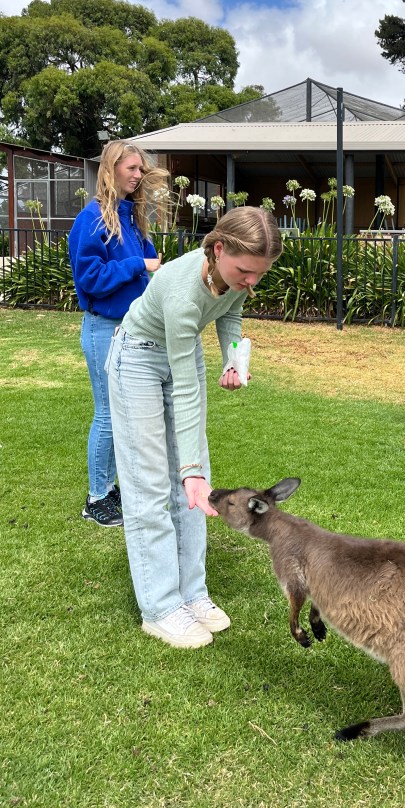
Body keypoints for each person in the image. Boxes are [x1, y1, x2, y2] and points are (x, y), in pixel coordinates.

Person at [107, 206, 284, 649]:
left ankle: (191, 594)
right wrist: (189, 469)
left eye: (259, 274)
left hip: (179, 354)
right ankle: (160, 607)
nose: (252, 282)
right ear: (218, 249)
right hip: (139, 359)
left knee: (196, 489)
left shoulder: (236, 278)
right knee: (152, 483)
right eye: (245, 271)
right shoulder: (183, 294)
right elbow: (185, 388)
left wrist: (232, 359)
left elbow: (230, 315)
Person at [68, 142, 169, 526]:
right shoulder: (92, 219)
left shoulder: (130, 218)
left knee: (125, 413)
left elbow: (150, 270)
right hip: (104, 329)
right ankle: (96, 498)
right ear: (111, 169)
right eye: (132, 168)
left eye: (141, 170)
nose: (138, 175)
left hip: (131, 329)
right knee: (108, 414)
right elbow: (90, 280)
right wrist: (138, 264)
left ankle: (111, 488)